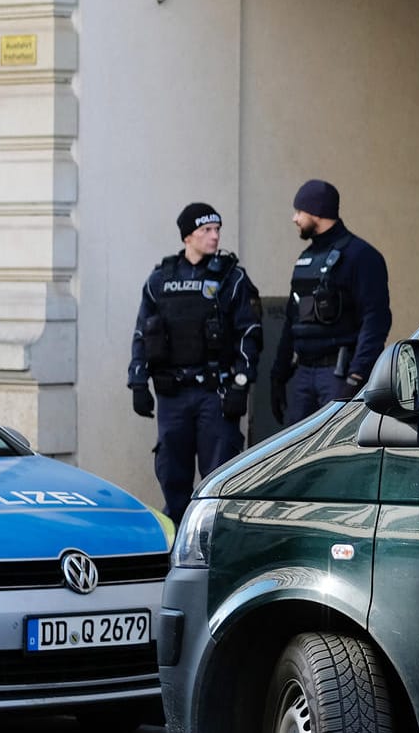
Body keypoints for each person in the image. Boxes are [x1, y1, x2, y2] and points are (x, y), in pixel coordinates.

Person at [129, 203, 262, 522]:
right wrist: (137, 380)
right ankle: (177, 542)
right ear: (188, 236)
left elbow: (250, 332)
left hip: (214, 395)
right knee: (172, 473)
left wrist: (241, 383)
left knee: (220, 476)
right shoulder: (161, 279)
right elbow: (143, 332)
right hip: (172, 395)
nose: (214, 236)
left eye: (217, 230)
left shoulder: (232, 278)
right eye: (206, 230)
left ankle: (215, 540)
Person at [270, 179, 391, 426]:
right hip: (303, 375)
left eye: (299, 212)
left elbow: (375, 320)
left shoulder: (361, 256)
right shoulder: (306, 259)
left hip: (338, 374)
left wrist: (356, 376)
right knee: (295, 454)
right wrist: (278, 376)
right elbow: (292, 321)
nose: (294, 218)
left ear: (317, 212)